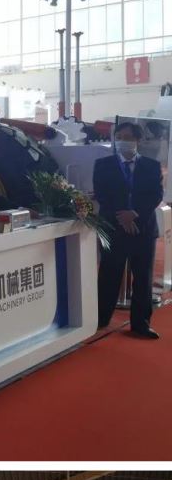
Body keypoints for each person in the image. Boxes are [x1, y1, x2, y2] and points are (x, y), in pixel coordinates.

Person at [95, 121, 164, 339]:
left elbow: (156, 195)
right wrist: (122, 216)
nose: (122, 141)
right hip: (114, 228)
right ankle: (100, 318)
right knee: (109, 275)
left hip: (143, 229)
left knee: (143, 277)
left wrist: (134, 213)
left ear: (138, 140)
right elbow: (102, 194)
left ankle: (141, 324)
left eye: (127, 137)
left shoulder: (151, 166)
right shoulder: (103, 164)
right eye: (119, 137)